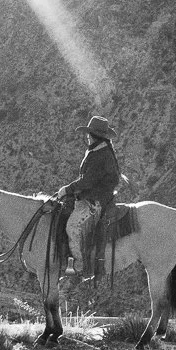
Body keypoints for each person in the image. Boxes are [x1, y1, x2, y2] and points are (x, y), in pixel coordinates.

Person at [56, 114, 120, 278]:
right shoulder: (100, 151)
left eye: (88, 134)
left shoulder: (101, 154)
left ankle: (83, 265)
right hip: (93, 196)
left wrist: (67, 190)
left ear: (93, 136)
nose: (87, 137)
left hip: (95, 201)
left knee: (72, 227)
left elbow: (88, 181)